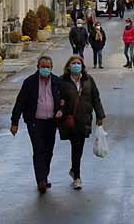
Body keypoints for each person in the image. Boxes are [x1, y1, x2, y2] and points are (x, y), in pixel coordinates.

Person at [10, 56, 66, 193]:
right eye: (43, 66)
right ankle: (40, 180)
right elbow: (20, 102)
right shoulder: (30, 82)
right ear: (38, 67)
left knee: (48, 150)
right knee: (38, 149)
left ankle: (44, 177)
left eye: (48, 67)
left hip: (51, 122)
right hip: (35, 121)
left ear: (52, 68)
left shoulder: (57, 82)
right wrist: (14, 122)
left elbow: (64, 101)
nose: (45, 69)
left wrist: (61, 110)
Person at [58, 56, 105, 190]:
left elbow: (95, 97)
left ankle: (74, 169)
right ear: (68, 66)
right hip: (70, 120)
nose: (76, 66)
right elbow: (58, 98)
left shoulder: (88, 80)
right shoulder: (62, 81)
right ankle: (77, 176)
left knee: (79, 147)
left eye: (79, 63)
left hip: (84, 119)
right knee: (76, 145)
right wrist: (60, 111)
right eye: (74, 63)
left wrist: (99, 115)